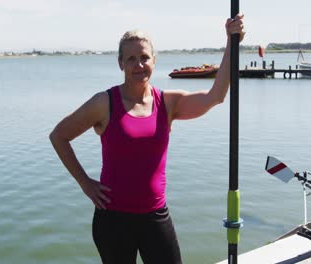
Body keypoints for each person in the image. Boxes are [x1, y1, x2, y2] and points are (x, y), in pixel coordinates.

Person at [49, 14, 245, 264]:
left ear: (154, 60)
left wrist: (232, 42)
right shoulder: (104, 103)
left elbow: (215, 96)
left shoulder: (168, 103)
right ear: (120, 64)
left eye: (144, 57)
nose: (138, 65)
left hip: (155, 217)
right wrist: (86, 183)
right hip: (113, 220)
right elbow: (59, 136)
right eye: (131, 59)